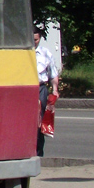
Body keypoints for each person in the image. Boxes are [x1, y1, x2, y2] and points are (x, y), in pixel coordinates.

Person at [33, 26, 59, 157]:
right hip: (25, 89)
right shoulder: (22, 53)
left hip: (40, 89)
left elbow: (53, 73)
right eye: (31, 39)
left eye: (36, 40)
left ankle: (38, 152)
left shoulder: (45, 53)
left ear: (40, 38)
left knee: (39, 122)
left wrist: (54, 90)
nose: (34, 42)